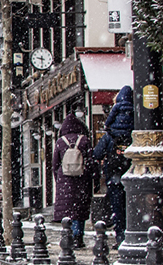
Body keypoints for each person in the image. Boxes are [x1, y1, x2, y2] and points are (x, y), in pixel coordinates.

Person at [94, 86, 134, 247]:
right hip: (133, 175)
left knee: (118, 209)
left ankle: (121, 237)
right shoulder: (137, 124)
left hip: (115, 176)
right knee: (133, 207)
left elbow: (96, 154)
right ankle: (135, 235)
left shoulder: (110, 133)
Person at [52, 114, 94, 248]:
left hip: (65, 180)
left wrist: (58, 179)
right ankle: (78, 236)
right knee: (79, 210)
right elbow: (91, 161)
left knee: (67, 209)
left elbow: (54, 163)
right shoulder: (85, 140)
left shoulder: (60, 141)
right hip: (82, 179)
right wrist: (93, 177)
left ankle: (68, 235)